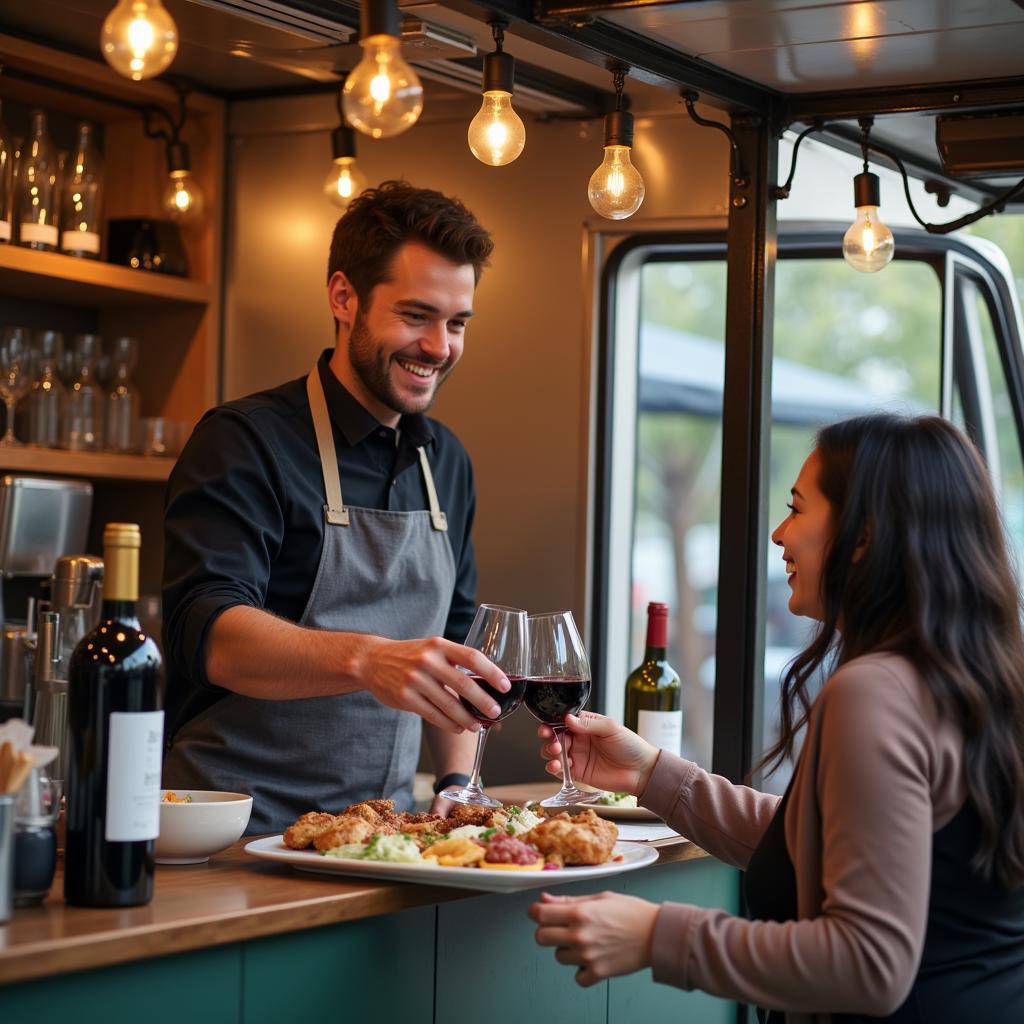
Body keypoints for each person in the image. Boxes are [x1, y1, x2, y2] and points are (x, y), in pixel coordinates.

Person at [530, 414, 1024, 1023]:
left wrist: (655, 934)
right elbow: (828, 845)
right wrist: (651, 772)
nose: (778, 534)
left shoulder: (877, 691)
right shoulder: (981, 675)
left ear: (863, 536)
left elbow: (868, 964)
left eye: (797, 509)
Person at [162, 181, 510, 834]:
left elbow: (457, 652)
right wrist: (366, 659)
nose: (439, 346)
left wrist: (459, 781)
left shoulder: (447, 463)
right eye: (416, 316)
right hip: (230, 837)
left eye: (456, 323)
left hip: (375, 839)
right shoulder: (245, 441)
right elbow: (206, 634)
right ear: (344, 297)